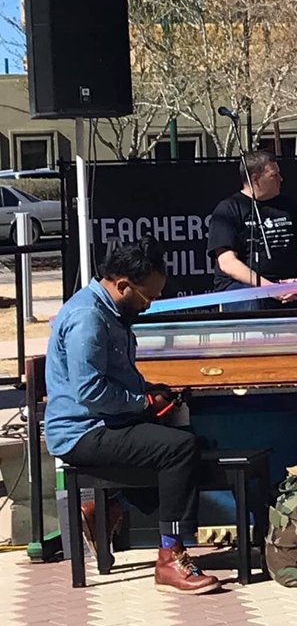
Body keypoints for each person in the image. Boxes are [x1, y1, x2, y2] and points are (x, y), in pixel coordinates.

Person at [43, 236, 220, 595]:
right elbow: (90, 392)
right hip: (82, 432)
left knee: (187, 440)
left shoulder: (110, 311)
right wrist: (143, 404)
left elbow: (116, 380)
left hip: (103, 422)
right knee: (179, 449)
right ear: (123, 285)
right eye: (147, 297)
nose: (149, 305)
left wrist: (152, 392)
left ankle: (109, 509)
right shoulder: (88, 318)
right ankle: (169, 558)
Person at [206, 150, 297, 311]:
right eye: (274, 176)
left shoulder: (289, 206)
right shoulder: (229, 209)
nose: (281, 179)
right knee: (256, 304)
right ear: (255, 179)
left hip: (289, 284)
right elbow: (227, 263)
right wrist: (269, 288)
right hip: (243, 287)